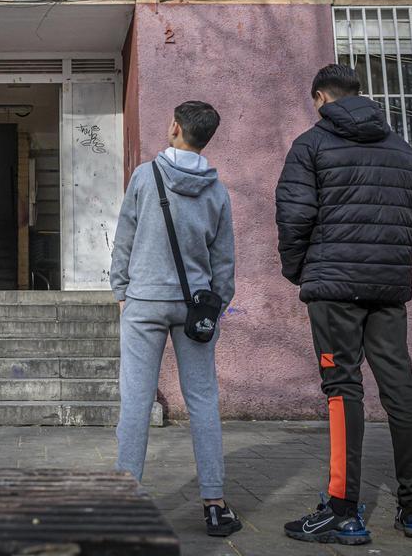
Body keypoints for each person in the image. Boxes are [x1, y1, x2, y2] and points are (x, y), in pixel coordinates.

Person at [276, 64, 412, 546]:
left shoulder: (311, 144)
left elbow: (295, 214)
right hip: (387, 286)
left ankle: (344, 510)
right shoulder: (401, 148)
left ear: (321, 97)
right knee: (400, 386)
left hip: (334, 286)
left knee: (342, 386)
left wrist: (300, 269)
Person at [110, 100, 240, 538]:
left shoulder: (145, 176)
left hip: (144, 301)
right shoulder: (216, 189)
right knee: (202, 401)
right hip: (194, 306)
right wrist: (216, 305)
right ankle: (215, 505)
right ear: (204, 138)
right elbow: (224, 259)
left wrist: (121, 292)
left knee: (135, 401)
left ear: (173, 128)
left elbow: (124, 237)